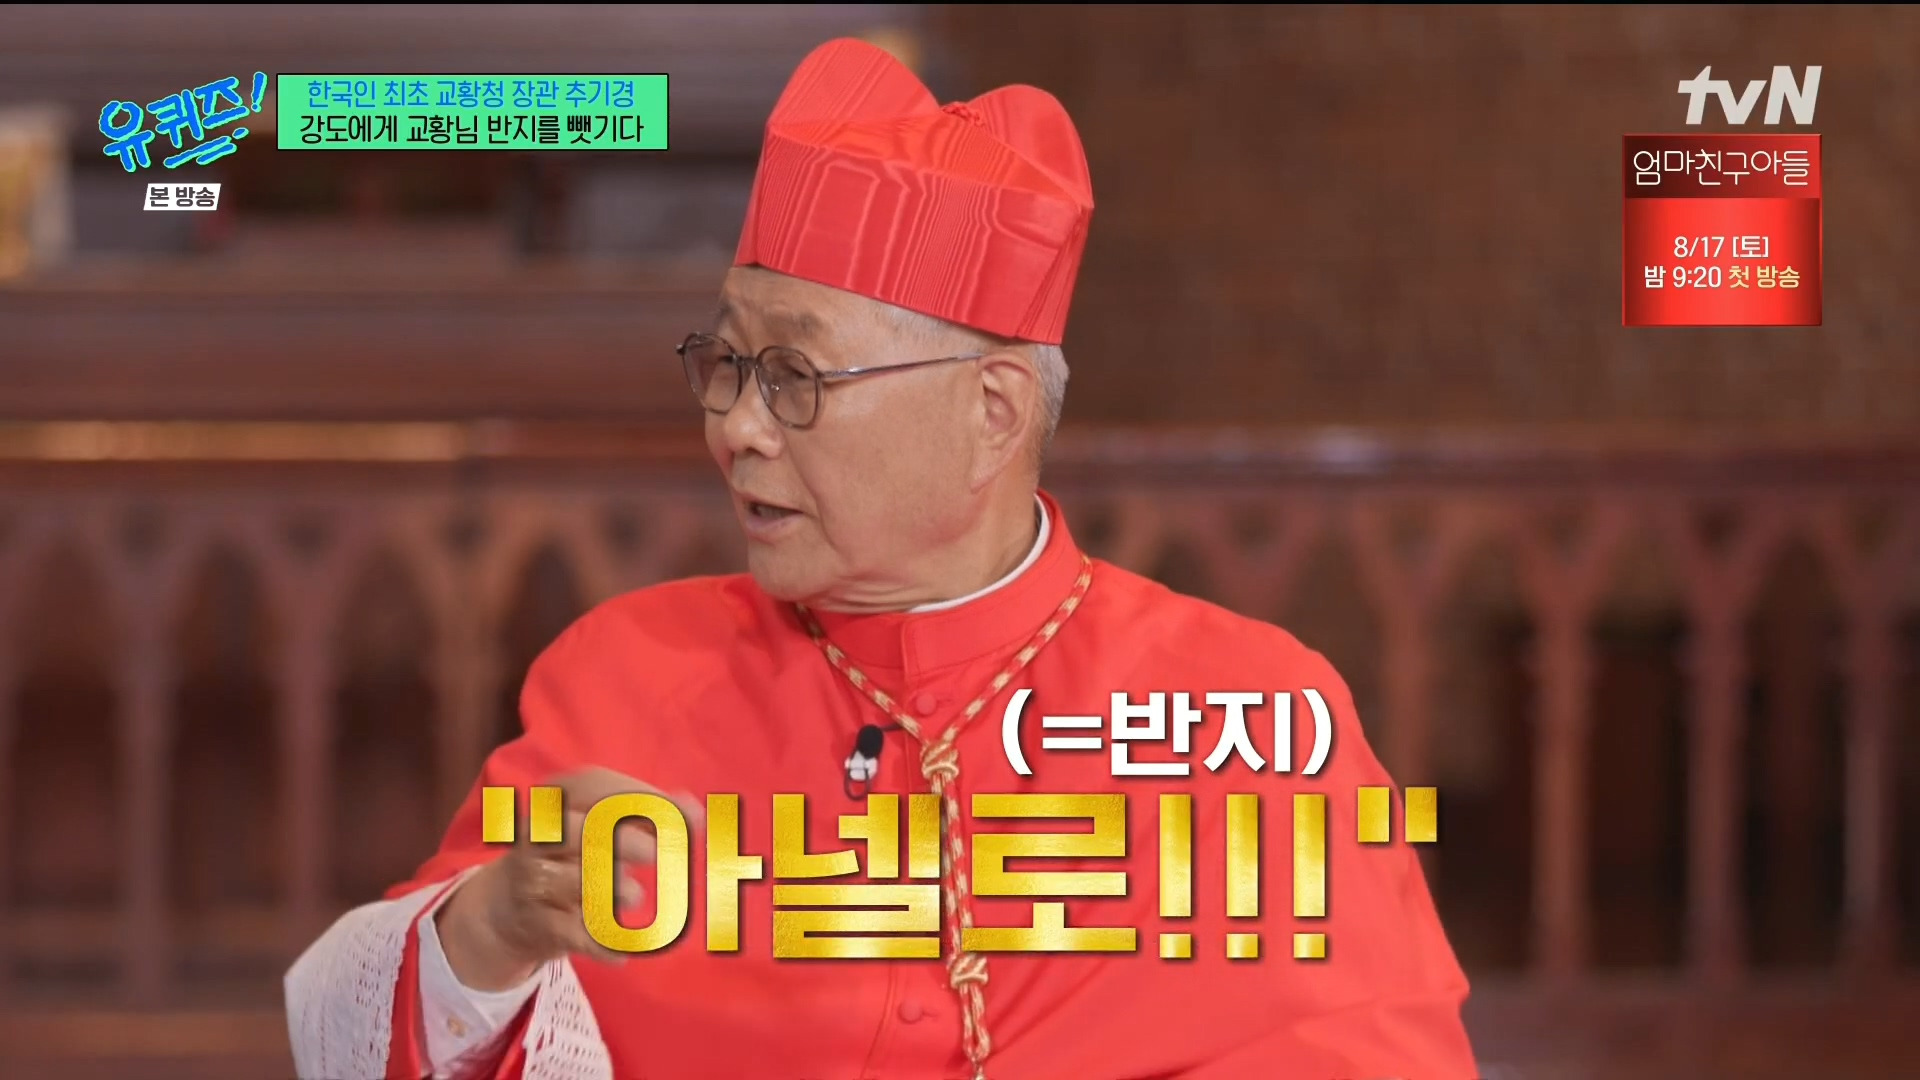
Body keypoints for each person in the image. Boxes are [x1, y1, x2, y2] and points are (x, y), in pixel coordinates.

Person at [284, 37, 1478, 1080]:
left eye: (796, 377)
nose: (736, 426)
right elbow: (368, 1039)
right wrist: (492, 930)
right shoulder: (624, 679)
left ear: (993, 414)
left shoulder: (1245, 717)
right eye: (726, 364)